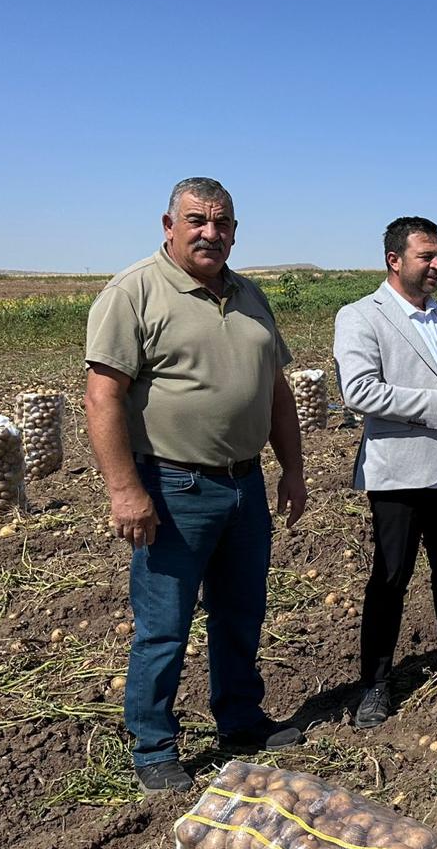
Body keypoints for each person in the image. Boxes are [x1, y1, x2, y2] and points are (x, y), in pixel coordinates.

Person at [83, 177, 306, 792]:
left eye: (223, 222)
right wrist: (126, 491)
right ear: (169, 225)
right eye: (198, 220)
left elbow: (277, 391)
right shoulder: (134, 293)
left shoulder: (249, 294)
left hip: (245, 485)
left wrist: (292, 467)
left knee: (240, 613)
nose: (211, 233)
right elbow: (102, 397)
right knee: (165, 624)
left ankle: (240, 719)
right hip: (173, 486)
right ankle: (153, 743)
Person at [333, 216, 437, 729]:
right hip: (399, 473)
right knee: (390, 576)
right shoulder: (362, 316)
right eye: (427, 257)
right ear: (394, 261)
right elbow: (358, 390)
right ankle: (377, 682)